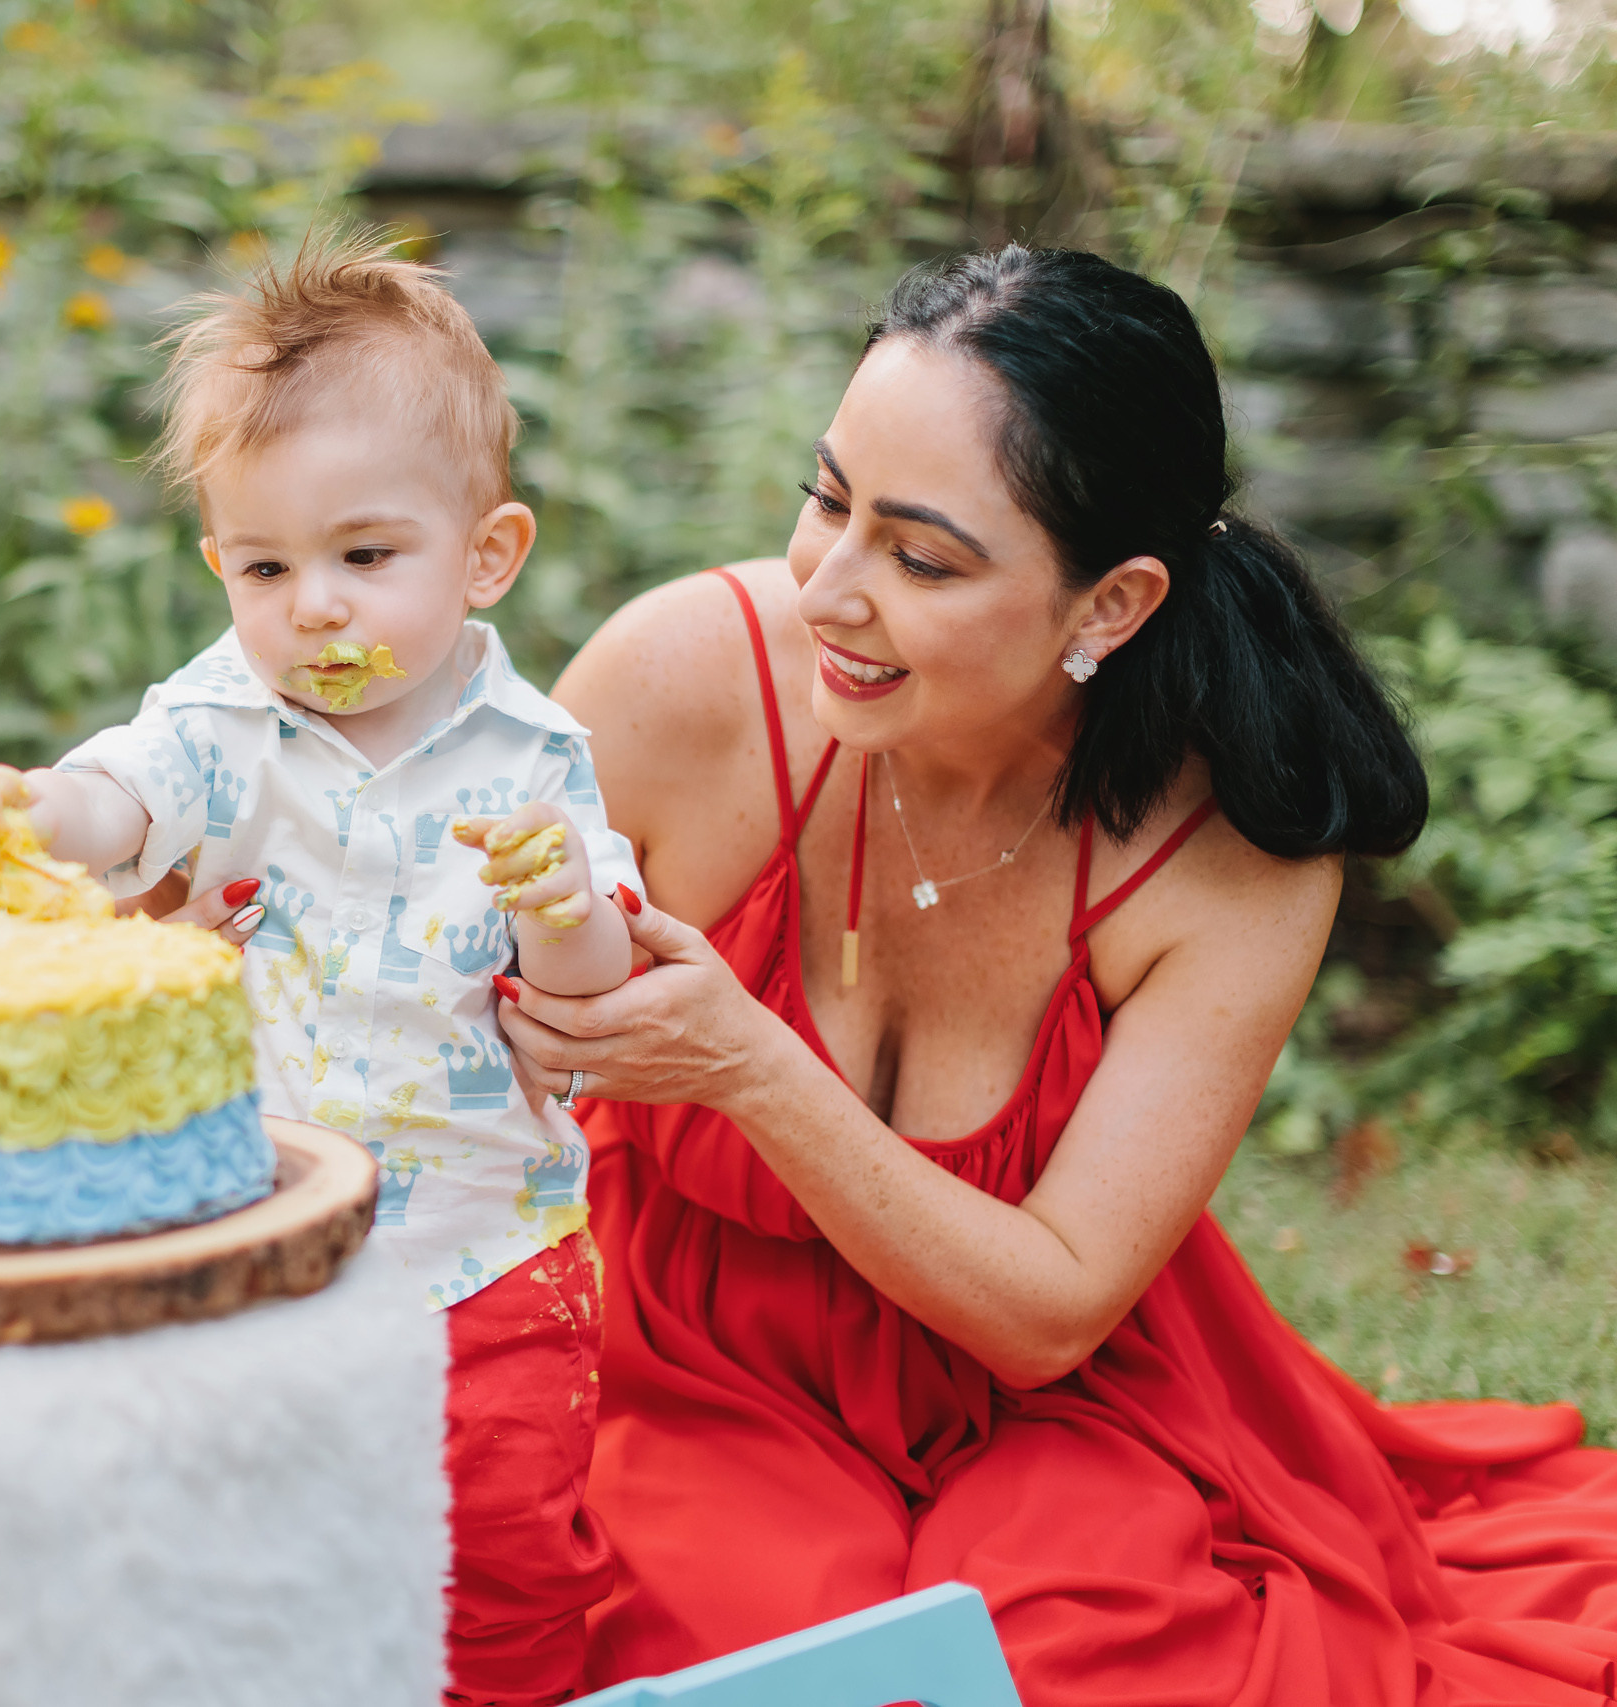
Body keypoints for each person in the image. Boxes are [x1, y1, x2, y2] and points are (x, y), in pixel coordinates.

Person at [496, 245, 1617, 1704]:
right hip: (693, 1345)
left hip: (1055, 1386)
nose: (829, 588)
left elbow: (1055, 1307)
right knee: (741, 1667)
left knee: (1081, 1666)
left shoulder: (1237, 857)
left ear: (1109, 607)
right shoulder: (682, 676)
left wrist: (749, 1068)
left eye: (921, 557)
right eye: (828, 499)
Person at [0, 230, 636, 1706]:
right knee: (240, 1544)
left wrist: (563, 898)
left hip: (484, 1264)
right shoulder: (220, 719)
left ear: (485, 553)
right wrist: (27, 806)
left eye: (367, 557)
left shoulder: (533, 758)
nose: (315, 606)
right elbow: (119, 799)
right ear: (218, 566)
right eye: (266, 565)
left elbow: (596, 975)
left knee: (503, 1561)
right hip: (252, 1242)